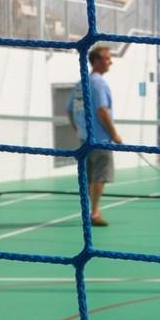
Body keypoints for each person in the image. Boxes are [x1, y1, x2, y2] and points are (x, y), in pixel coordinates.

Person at [68, 44, 122, 226]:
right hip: (100, 140)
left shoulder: (80, 83)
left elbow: (69, 109)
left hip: (84, 140)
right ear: (96, 61)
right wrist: (114, 134)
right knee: (99, 177)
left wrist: (78, 129)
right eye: (107, 58)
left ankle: (89, 211)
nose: (110, 62)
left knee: (89, 177)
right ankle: (94, 213)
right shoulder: (99, 83)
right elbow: (102, 111)